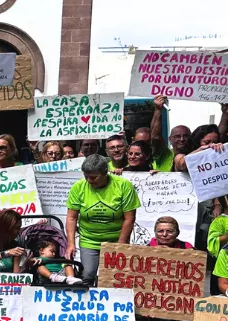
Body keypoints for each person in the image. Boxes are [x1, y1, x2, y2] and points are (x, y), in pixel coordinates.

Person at [65, 154, 140, 284]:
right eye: (86, 176)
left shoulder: (123, 186)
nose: (89, 180)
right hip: (89, 239)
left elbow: (129, 218)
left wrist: (120, 244)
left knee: (114, 278)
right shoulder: (78, 187)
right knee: (87, 275)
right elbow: (72, 217)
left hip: (116, 238)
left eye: (93, 177)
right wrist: (71, 244)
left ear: (106, 172)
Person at [150, 96, 192, 172]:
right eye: (177, 136)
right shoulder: (163, 154)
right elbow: (155, 137)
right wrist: (158, 110)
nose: (181, 139)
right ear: (170, 139)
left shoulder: (196, 154)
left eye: (185, 136)